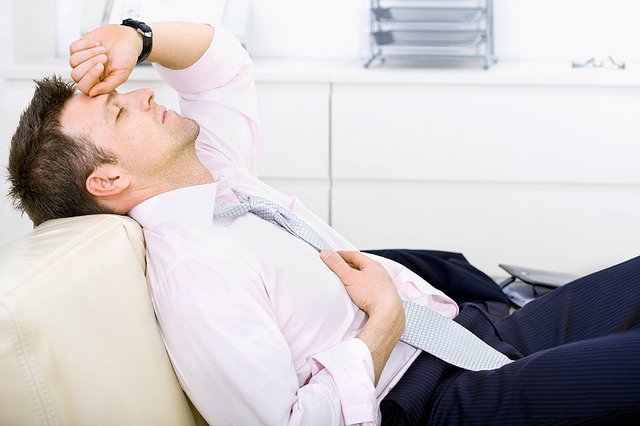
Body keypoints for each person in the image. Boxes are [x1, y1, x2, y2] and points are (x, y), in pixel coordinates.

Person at [7, 20, 639, 425]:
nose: (145, 93)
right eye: (119, 113)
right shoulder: (196, 275)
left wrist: (137, 38)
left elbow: (222, 64)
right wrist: (383, 321)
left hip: (478, 332)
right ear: (109, 181)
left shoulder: (214, 173)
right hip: (436, 402)